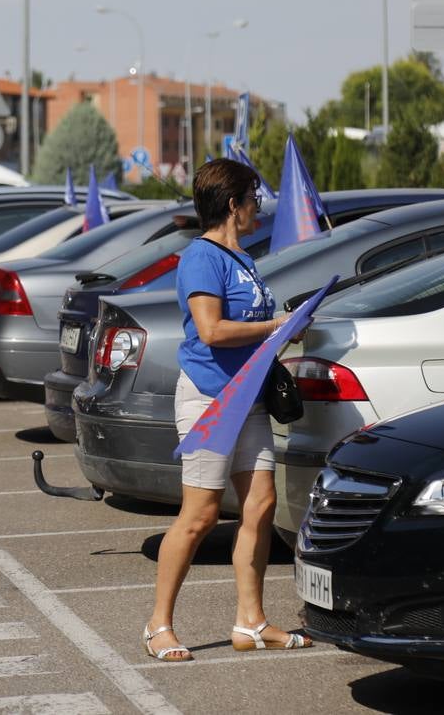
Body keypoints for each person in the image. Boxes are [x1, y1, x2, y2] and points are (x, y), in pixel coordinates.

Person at [143, 158, 310, 662]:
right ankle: (158, 626)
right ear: (233, 205)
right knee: (200, 515)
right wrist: (277, 326)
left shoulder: (245, 260)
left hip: (249, 398)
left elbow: (252, 329)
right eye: (254, 198)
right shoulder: (201, 258)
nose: (259, 205)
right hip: (211, 401)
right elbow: (212, 331)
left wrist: (287, 328)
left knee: (260, 505)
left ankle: (251, 623)